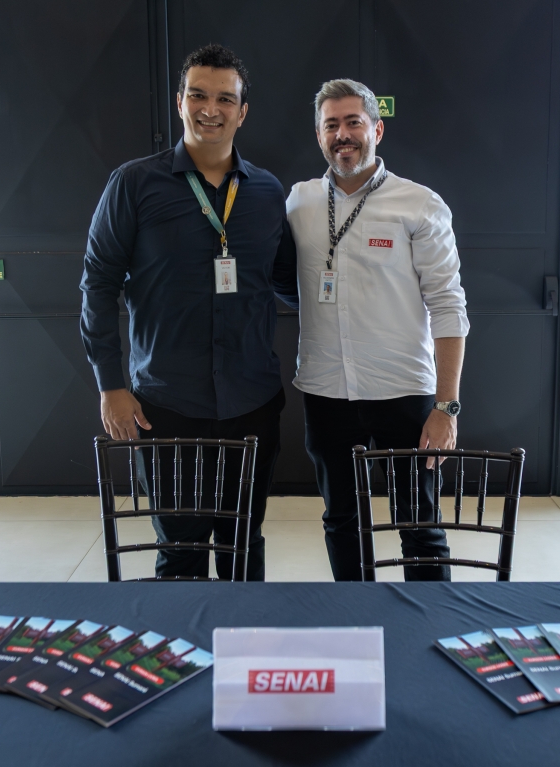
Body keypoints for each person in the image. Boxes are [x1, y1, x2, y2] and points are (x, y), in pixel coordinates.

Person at [80, 44, 298, 580]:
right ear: (179, 102)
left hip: (251, 402)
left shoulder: (267, 192)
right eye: (198, 95)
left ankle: (242, 633)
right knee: (180, 549)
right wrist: (111, 386)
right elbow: (98, 285)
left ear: (243, 111)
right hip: (166, 404)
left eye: (226, 99)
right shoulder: (133, 184)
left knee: (243, 541)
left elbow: (289, 283)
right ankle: (186, 638)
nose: (211, 109)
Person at [286, 79, 469, 582]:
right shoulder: (299, 202)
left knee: (420, 524)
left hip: (403, 392)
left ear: (377, 130)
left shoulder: (418, 204)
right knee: (342, 520)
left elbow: (449, 306)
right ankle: (356, 618)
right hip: (326, 391)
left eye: (353, 122)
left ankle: (426, 621)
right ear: (319, 135)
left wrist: (446, 407)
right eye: (331, 125)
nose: (342, 134)